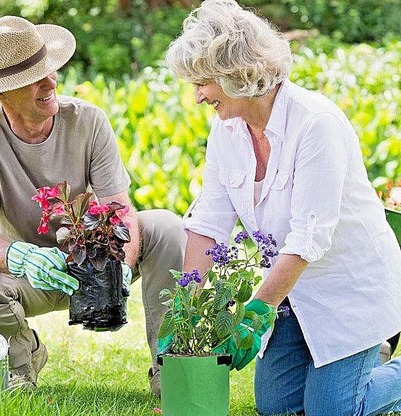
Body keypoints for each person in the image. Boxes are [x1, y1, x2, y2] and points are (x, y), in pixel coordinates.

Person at [161, 0, 401, 414]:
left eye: (203, 82)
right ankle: (342, 368)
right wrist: (185, 303)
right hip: (291, 294)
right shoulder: (227, 131)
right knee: (276, 407)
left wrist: (256, 312)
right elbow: (209, 222)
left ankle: (376, 366)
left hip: (349, 291)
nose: (198, 96)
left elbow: (308, 238)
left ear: (237, 72)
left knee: (334, 410)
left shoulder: (315, 123)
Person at [0, 16, 186, 396]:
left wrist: (121, 268)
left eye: (49, 69)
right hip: (31, 275)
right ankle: (22, 360)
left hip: (94, 258)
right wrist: (21, 257)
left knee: (167, 228)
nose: (51, 82)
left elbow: (119, 209)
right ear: (0, 93)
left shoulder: (88, 121)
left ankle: (171, 372)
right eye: (33, 77)